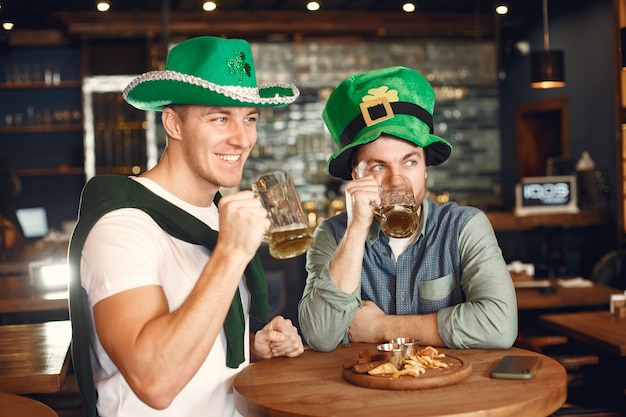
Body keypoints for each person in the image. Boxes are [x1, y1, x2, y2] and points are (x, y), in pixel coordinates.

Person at [67, 36, 304, 417]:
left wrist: (253, 345)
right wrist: (230, 255)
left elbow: (196, 334)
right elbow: (154, 381)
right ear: (173, 123)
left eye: (250, 118)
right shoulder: (122, 226)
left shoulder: (214, 211)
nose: (242, 139)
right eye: (220, 117)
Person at [298, 66, 517, 352]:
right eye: (379, 166)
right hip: (361, 393)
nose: (397, 180)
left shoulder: (465, 226)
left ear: (425, 167)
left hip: (450, 390)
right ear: (356, 175)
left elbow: (499, 326)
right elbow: (320, 336)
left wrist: (380, 327)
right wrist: (356, 230)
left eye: (409, 162)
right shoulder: (331, 234)